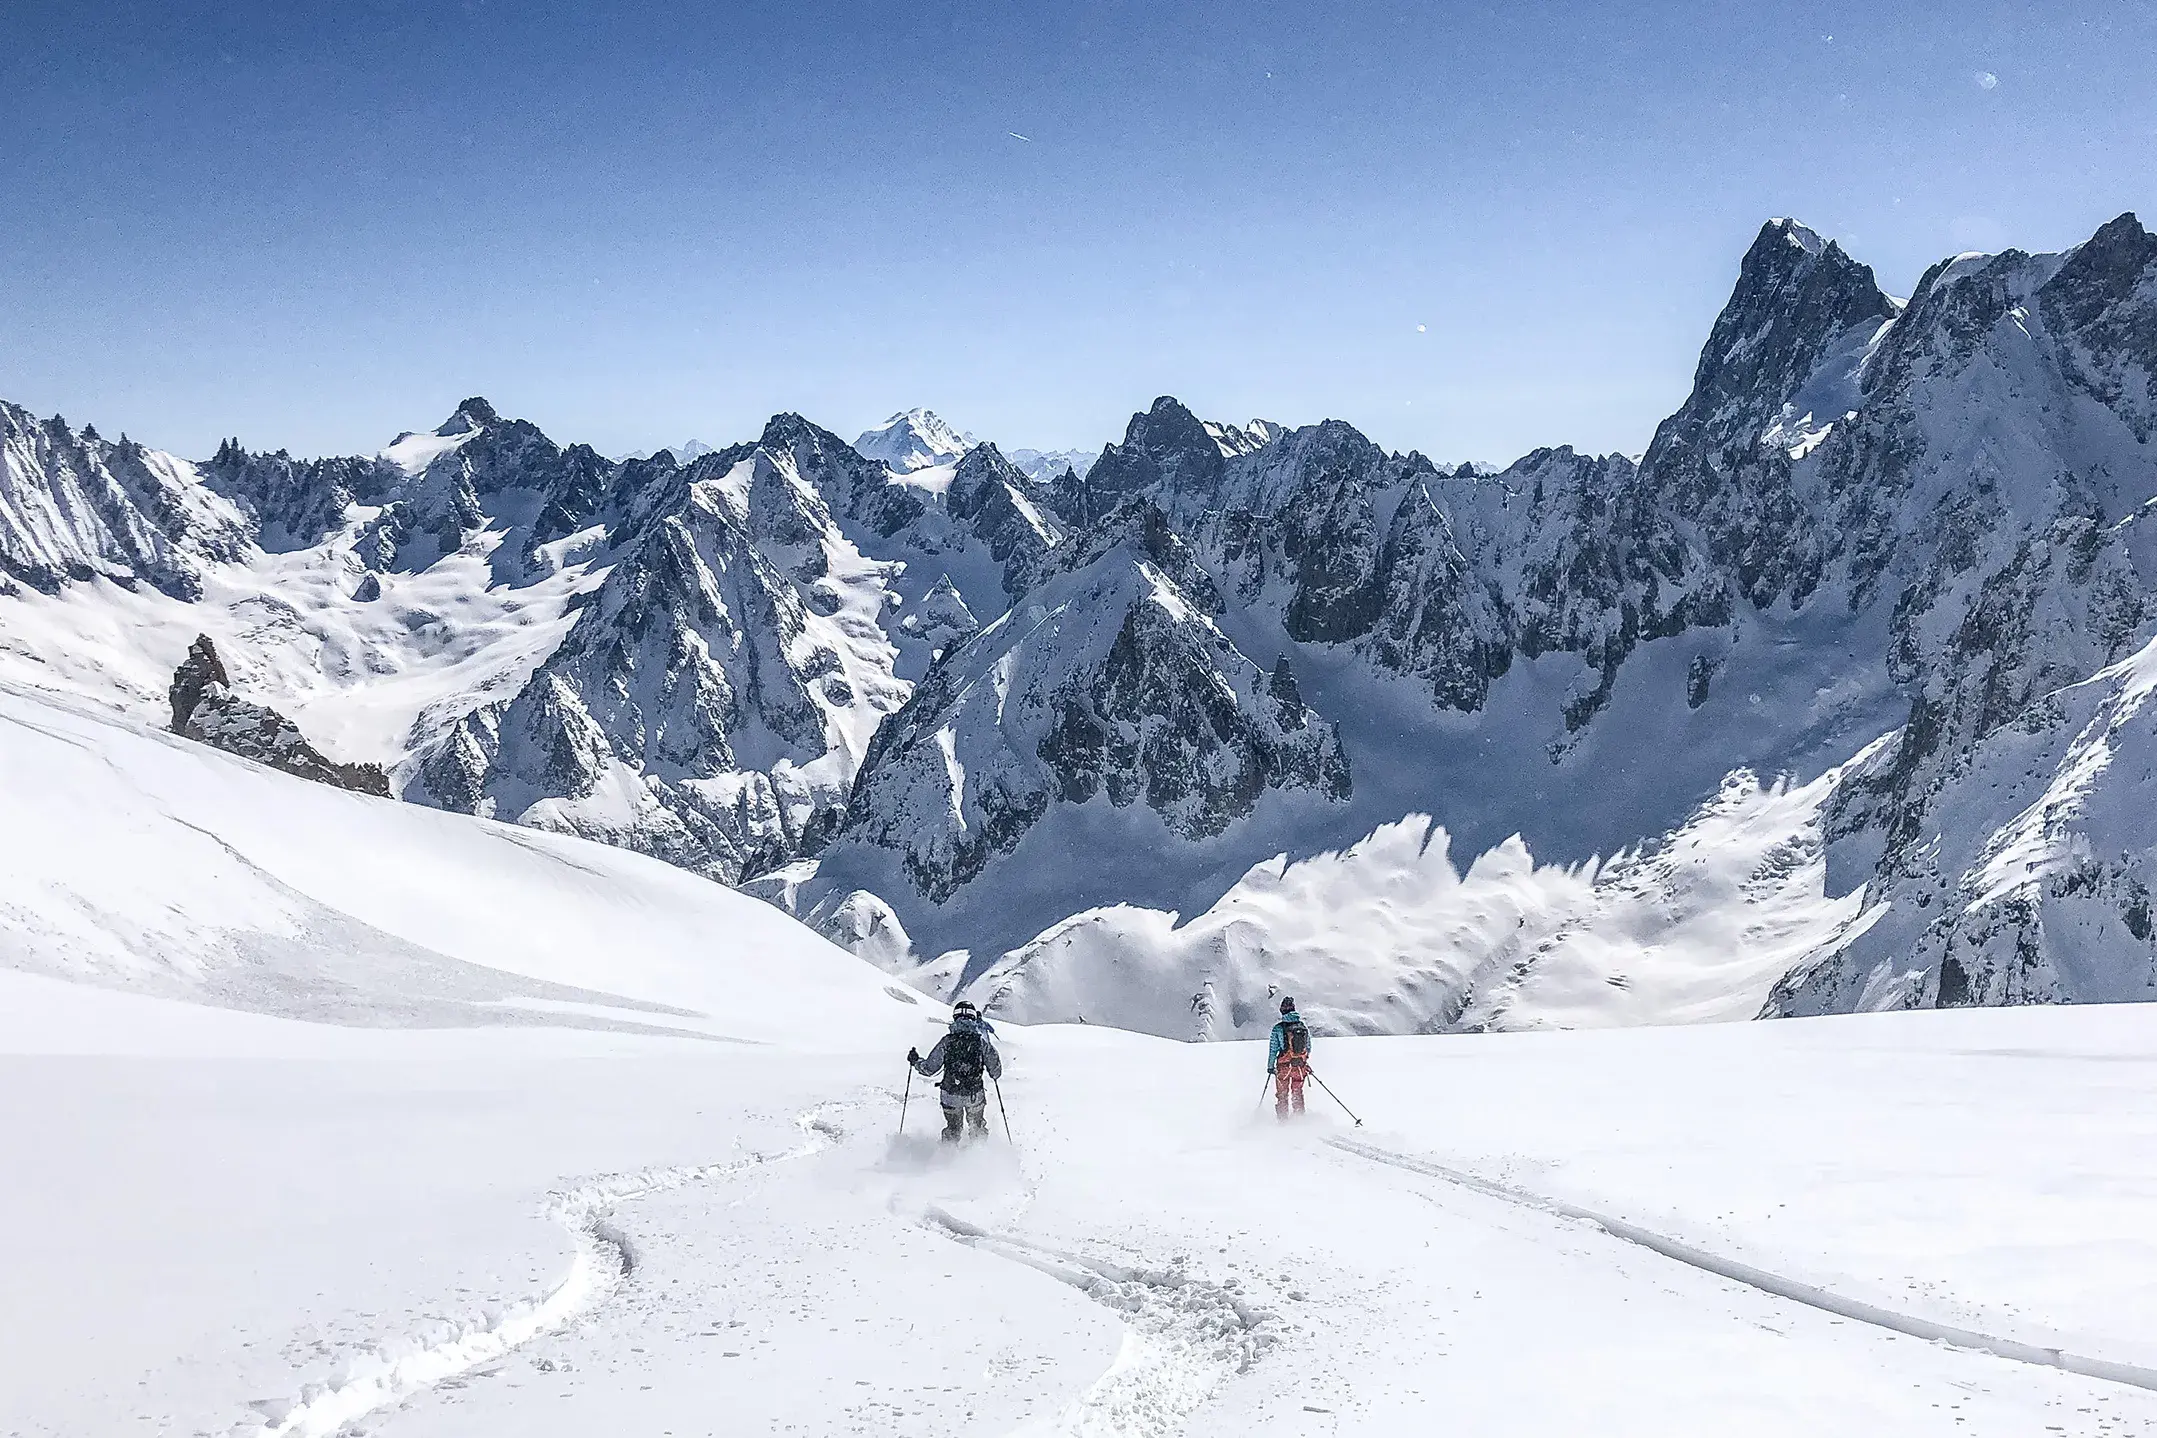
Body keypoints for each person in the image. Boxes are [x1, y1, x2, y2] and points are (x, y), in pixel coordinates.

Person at [909, 1000, 1003, 1144]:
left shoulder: (947, 1041)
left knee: (952, 1129)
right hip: (974, 1095)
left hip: (950, 1094)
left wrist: (916, 1061)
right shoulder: (981, 1042)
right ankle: (979, 1155)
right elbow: (996, 1071)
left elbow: (929, 1068)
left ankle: (948, 1157)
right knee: (977, 1127)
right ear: (973, 1018)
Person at [1268, 997, 1311, 1120]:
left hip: (1284, 1066)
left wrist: (1270, 1066)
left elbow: (1273, 1050)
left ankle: (1283, 1120)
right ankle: (1299, 1118)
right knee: (1297, 1091)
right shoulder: (1302, 1026)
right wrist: (1303, 1061)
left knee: (1282, 1094)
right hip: (1300, 1067)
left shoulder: (1278, 1028)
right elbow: (1308, 1047)